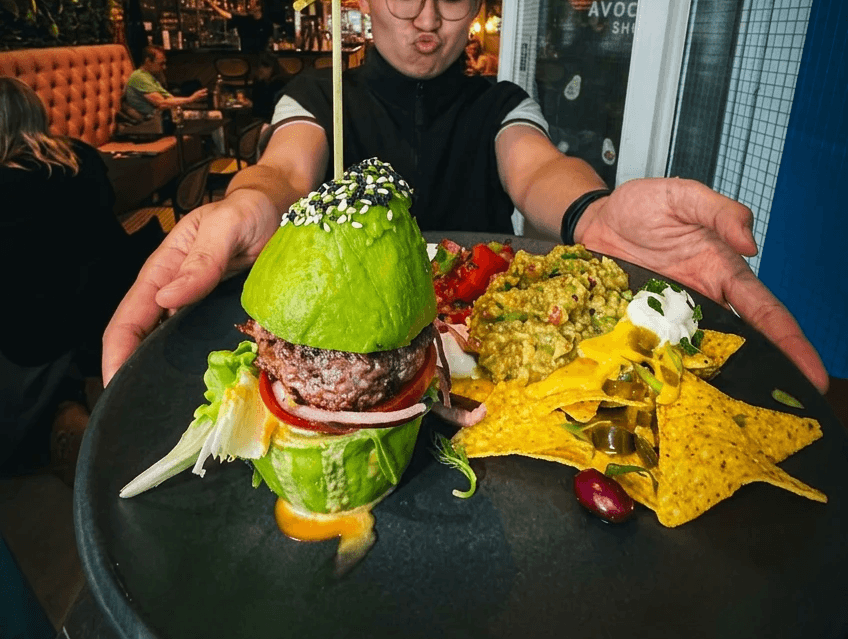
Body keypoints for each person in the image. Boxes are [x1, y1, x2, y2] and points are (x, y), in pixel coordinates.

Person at [101, 0, 829, 395]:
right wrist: (246, 200)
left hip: (485, 362)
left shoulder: (501, 103)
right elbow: (285, 172)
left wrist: (594, 212)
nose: (427, 19)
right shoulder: (316, 94)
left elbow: (539, 171)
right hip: (355, 355)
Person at [0, 77, 165, 479]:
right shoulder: (82, 155)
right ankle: (85, 407)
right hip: (110, 296)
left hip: (43, 323)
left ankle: (60, 413)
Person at [124, 46, 208, 117]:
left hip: (165, 116)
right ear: (148, 61)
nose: (164, 67)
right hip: (152, 123)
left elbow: (169, 98)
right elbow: (162, 103)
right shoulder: (138, 77)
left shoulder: (149, 76)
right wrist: (190, 99)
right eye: (161, 63)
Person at [204, 0, 274, 55]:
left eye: (252, 2)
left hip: (260, 58)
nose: (249, 4)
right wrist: (212, 5)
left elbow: (270, 41)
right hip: (247, 56)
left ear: (259, 7)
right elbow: (228, 15)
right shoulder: (246, 20)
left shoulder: (267, 23)